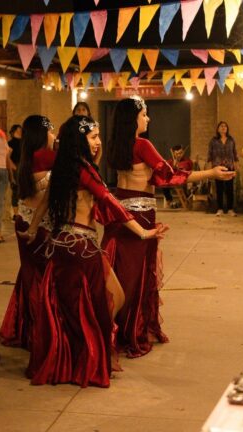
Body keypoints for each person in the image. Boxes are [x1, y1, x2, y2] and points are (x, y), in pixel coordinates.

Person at [24, 115, 166, 388]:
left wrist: (32, 229)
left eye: (99, 136)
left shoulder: (65, 166)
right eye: (93, 137)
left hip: (62, 243)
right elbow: (111, 203)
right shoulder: (84, 170)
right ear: (80, 140)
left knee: (79, 307)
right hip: (82, 247)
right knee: (101, 305)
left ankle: (71, 355)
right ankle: (85, 357)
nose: (99, 142)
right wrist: (144, 232)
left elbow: (44, 202)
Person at [102, 96, 235, 358]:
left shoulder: (115, 145)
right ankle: (131, 331)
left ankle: (112, 328)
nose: (148, 119)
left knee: (117, 275)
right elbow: (169, 175)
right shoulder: (142, 145)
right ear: (134, 119)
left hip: (120, 216)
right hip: (140, 219)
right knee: (136, 278)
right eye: (144, 115)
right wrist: (210, 174)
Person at [0, 116, 55, 349]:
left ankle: (23, 325)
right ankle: (39, 329)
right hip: (38, 225)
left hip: (23, 220)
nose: (54, 136)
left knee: (30, 273)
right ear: (43, 134)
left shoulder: (26, 156)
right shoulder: (46, 157)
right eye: (51, 131)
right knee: (42, 277)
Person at [208, 121, 238, 216]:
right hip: (217, 167)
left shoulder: (231, 139)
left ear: (227, 128)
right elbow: (210, 153)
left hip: (229, 166)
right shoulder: (213, 140)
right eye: (221, 126)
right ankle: (220, 209)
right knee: (219, 189)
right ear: (218, 129)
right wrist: (209, 166)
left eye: (225, 126)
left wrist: (236, 164)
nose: (223, 127)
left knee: (230, 189)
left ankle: (230, 209)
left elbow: (234, 153)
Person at [7, 124, 23, 218]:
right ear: (13, 132)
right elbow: (7, 157)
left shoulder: (24, 142)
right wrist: (14, 167)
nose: (20, 132)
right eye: (18, 130)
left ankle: (22, 213)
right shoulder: (11, 143)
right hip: (16, 167)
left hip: (24, 167)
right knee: (16, 190)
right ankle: (16, 214)